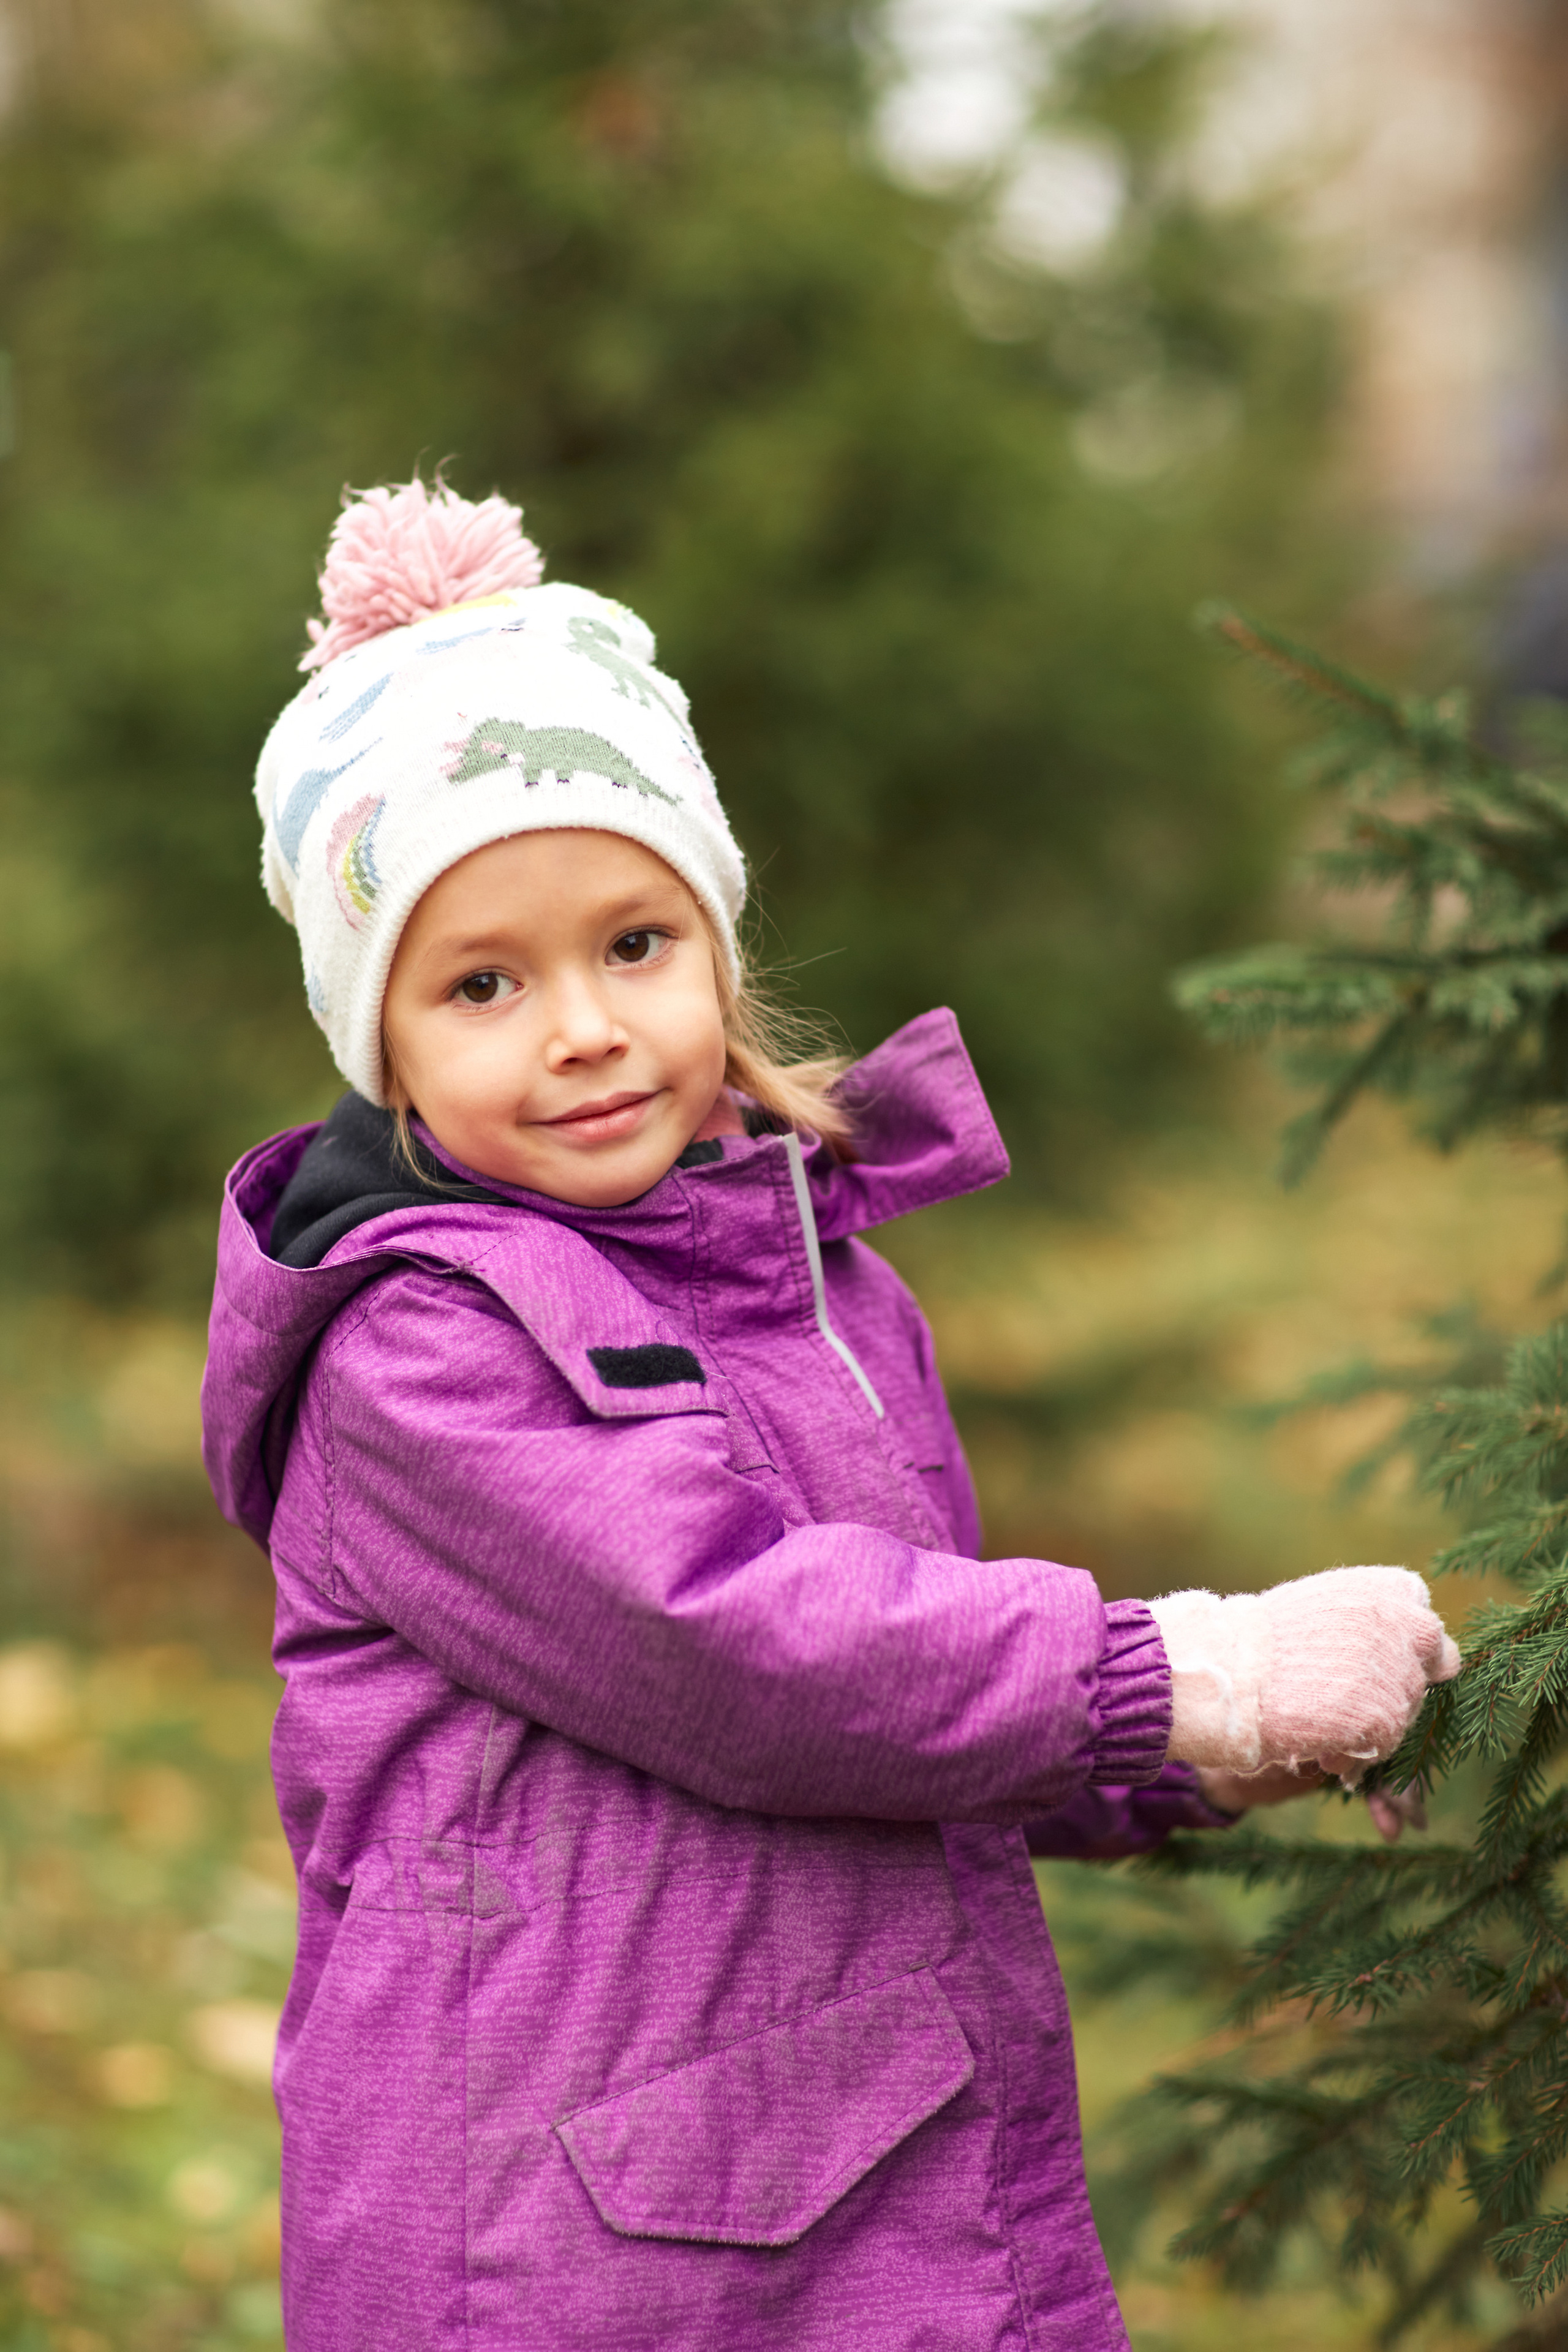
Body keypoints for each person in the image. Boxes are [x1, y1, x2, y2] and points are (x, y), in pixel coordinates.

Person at [200, 477, 1461, 2352]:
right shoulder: (416, 1350)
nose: (584, 1026)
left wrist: (1176, 1760)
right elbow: (739, 1646)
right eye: (483, 982)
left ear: (714, 937)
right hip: (568, 2235)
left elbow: (906, 1676)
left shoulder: (807, 1279)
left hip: (840, 2156)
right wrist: (1169, 1673)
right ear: (380, 1044)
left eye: (634, 943)